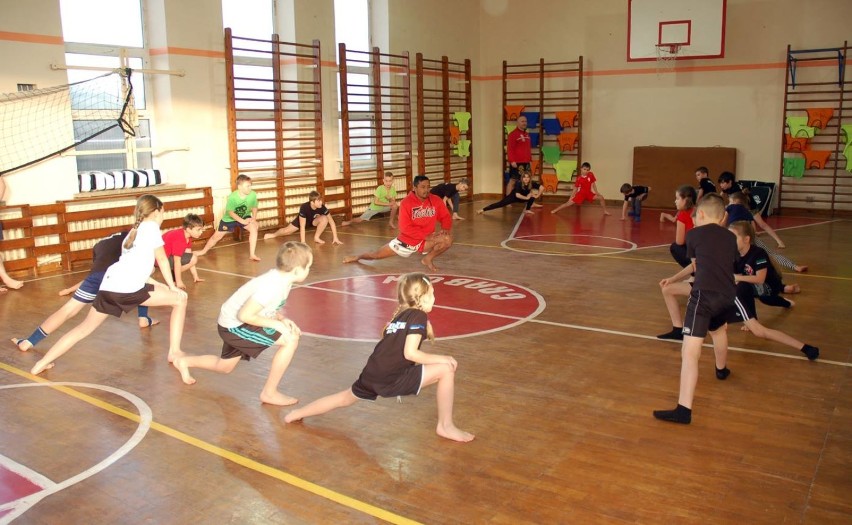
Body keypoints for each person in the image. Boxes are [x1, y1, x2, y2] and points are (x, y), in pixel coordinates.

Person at [284, 273, 475, 443]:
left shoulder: (399, 316)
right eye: (432, 294)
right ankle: (445, 425)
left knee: (343, 398)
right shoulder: (417, 316)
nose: (435, 298)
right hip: (390, 377)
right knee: (446, 369)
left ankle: (297, 413)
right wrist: (443, 358)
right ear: (422, 296)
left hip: (372, 372)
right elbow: (410, 353)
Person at [30, 195, 189, 375]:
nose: (163, 216)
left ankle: (42, 363)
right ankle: (174, 351)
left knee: (83, 328)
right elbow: (161, 258)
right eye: (163, 212)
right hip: (127, 289)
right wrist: (173, 286)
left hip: (109, 285)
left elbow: (138, 272)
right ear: (156, 211)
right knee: (180, 301)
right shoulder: (151, 227)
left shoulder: (132, 234)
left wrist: (163, 286)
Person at [173, 242, 313, 405]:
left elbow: (270, 308)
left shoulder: (283, 279)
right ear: (296, 270)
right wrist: (276, 325)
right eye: (308, 266)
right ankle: (269, 393)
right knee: (290, 340)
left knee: (224, 366)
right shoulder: (272, 286)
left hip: (233, 322)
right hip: (235, 326)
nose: (309, 269)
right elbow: (245, 315)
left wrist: (282, 319)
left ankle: (184, 361)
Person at [654, 193, 738, 424]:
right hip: (727, 295)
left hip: (703, 296)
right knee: (719, 330)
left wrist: (672, 279)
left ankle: (684, 409)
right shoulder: (731, 238)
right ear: (723, 218)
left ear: (700, 214)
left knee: (690, 353)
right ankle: (721, 369)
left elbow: (695, 267)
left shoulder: (694, 234)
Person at [11, 231, 161, 352]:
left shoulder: (99, 244)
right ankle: (143, 317)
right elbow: (141, 270)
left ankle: (29, 341)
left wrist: (70, 289)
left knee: (67, 310)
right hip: (114, 278)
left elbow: (95, 274)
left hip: (96, 278)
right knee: (143, 281)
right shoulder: (133, 238)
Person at [728, 221, 819, 360]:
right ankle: (752, 319)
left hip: (770, 286)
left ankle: (785, 302)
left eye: (733, 237)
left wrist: (737, 278)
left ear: (746, 239)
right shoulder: (734, 255)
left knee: (765, 298)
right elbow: (737, 279)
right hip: (751, 285)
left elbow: (759, 279)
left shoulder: (758, 253)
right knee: (742, 287)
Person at [343, 175, 452, 272]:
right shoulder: (406, 203)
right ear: (415, 188)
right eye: (423, 187)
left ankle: (427, 259)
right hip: (406, 241)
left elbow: (445, 216)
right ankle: (357, 257)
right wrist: (426, 236)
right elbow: (405, 228)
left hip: (425, 241)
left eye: (428, 187)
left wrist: (445, 229)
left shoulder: (435, 200)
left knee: (447, 239)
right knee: (375, 255)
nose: (427, 190)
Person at [723, 193, 806, 273]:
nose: (729, 204)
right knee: (770, 254)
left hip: (736, 236)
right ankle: (794, 266)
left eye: (730, 201)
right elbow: (753, 228)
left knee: (729, 254)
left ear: (735, 201)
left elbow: (723, 222)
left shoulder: (730, 207)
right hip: (750, 236)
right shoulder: (748, 211)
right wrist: (753, 237)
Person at [197, 174, 260, 261]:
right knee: (216, 237)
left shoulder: (252, 194)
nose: (250, 188)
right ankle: (203, 251)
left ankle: (252, 254)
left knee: (254, 227)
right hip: (230, 218)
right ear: (240, 187)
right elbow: (231, 213)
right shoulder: (232, 197)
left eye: (250, 185)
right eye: (247, 186)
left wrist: (254, 218)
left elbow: (254, 206)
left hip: (244, 216)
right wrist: (242, 221)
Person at [717, 171, 786, 248]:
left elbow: (735, 204)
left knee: (762, 224)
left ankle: (779, 241)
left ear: (730, 182)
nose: (721, 185)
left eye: (723, 183)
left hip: (750, 207)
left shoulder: (735, 190)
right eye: (720, 183)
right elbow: (721, 196)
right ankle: (754, 232)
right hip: (742, 208)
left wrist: (727, 206)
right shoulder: (727, 188)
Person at [264, 191, 342, 245]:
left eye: (321, 200)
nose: (321, 202)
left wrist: (335, 237)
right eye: (318, 201)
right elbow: (302, 226)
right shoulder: (304, 207)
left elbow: (331, 221)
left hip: (313, 221)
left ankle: (316, 238)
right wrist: (303, 242)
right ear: (312, 202)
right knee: (286, 231)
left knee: (325, 218)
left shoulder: (322, 207)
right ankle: (273, 235)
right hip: (302, 222)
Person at [160, 214, 205, 290]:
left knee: (192, 257)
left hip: (165, 257)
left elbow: (189, 257)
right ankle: (172, 275)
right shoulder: (179, 237)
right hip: (160, 260)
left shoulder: (187, 236)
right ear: (188, 229)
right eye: (198, 230)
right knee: (193, 258)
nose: (201, 232)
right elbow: (177, 261)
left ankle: (172, 274)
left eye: (201, 230)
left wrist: (195, 276)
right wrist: (179, 282)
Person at [667, 185, 697, 267]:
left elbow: (679, 241)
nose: (675, 201)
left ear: (686, 200)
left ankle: (694, 273)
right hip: (708, 253)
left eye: (677, 198)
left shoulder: (682, 214)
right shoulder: (698, 210)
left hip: (697, 256)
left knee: (675, 247)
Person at [506, 115, 531, 195]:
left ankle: (529, 201)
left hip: (526, 162)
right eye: (522, 121)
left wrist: (530, 160)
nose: (524, 123)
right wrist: (512, 160)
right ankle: (507, 201)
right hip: (517, 162)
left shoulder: (527, 134)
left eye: (525, 121)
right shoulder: (512, 134)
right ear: (517, 123)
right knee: (513, 181)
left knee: (528, 181)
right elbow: (510, 149)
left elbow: (527, 149)